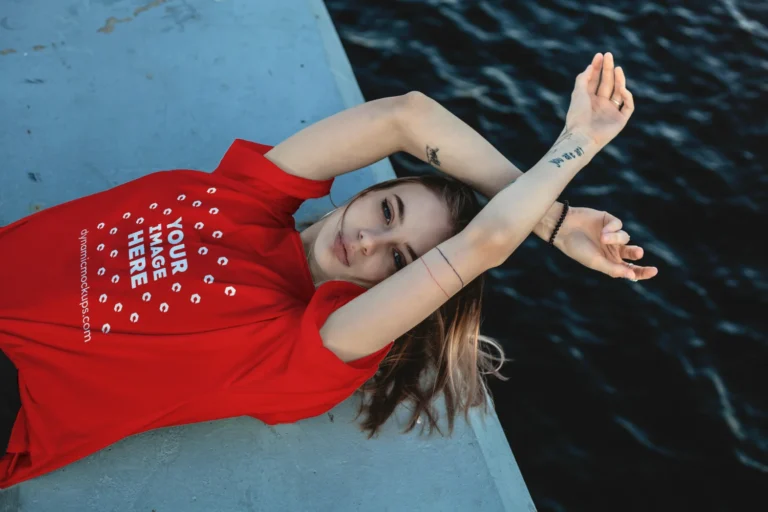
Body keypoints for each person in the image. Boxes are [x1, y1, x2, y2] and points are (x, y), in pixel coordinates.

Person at [0, 52, 656, 488]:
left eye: (399, 261)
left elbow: (484, 244)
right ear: (365, 193)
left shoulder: (305, 349)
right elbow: (404, 117)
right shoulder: (250, 195)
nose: (368, 240)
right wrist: (558, 216)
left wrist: (577, 145)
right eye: (387, 209)